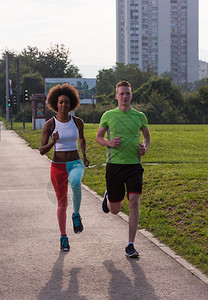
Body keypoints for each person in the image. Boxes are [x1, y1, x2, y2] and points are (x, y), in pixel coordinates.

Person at [96, 81, 150, 258]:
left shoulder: (140, 116)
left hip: (134, 165)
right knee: (115, 210)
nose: (125, 96)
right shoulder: (109, 115)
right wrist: (109, 143)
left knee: (134, 201)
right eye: (122, 94)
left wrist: (145, 148)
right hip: (115, 166)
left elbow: (147, 137)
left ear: (131, 95)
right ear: (116, 96)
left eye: (127, 93)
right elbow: (98, 137)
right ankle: (108, 197)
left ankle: (130, 244)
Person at [40, 83, 89, 251]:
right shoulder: (49, 125)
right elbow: (41, 150)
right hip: (58, 166)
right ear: (55, 103)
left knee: (76, 183)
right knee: (62, 203)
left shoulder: (78, 122)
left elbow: (82, 139)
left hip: (75, 163)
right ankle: (63, 237)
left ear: (71, 103)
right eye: (60, 102)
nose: (63, 105)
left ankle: (76, 215)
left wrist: (85, 155)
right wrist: (53, 141)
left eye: (66, 102)